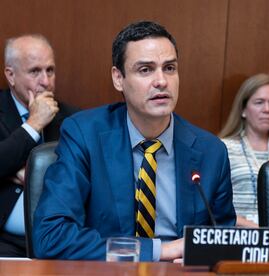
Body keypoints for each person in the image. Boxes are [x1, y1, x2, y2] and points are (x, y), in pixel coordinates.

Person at [33, 21, 236, 262]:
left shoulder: (211, 152)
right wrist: (159, 251)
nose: (161, 81)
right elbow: (51, 237)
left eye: (169, 68)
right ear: (118, 78)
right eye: (145, 70)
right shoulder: (84, 135)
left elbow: (224, 242)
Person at [0, 34, 79, 256]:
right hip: (4, 241)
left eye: (50, 70)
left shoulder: (73, 119)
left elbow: (78, 176)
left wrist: (28, 174)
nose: (45, 81)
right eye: (35, 71)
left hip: (59, 239)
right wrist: (34, 124)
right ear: (11, 75)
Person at [219, 73, 269, 227]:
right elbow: (215, 205)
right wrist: (258, 229)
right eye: (259, 102)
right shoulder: (223, 148)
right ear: (243, 110)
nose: (267, 109)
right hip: (236, 236)